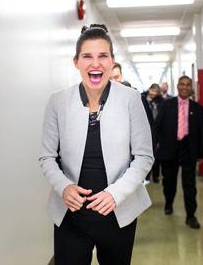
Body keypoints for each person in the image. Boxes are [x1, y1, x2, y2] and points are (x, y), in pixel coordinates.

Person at [39, 24, 154, 264]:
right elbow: (47, 157)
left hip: (118, 213)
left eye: (103, 56)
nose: (95, 63)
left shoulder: (131, 99)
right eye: (87, 56)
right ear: (76, 62)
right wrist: (64, 187)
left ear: (112, 61)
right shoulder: (58, 102)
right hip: (71, 216)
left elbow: (144, 157)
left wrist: (115, 194)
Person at [154, 75, 203, 229]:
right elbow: (157, 126)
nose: (184, 87)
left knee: (189, 184)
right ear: (177, 86)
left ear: (191, 88)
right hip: (169, 148)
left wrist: (201, 155)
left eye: (188, 85)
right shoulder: (166, 104)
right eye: (182, 84)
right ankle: (168, 202)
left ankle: (191, 215)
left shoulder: (197, 108)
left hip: (188, 149)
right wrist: (157, 146)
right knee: (169, 181)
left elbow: (201, 133)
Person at [141, 83, 164, 184]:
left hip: (156, 131)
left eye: (156, 92)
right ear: (149, 89)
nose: (153, 93)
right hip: (144, 130)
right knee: (146, 153)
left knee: (156, 155)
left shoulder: (161, 101)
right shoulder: (142, 99)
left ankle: (156, 175)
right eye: (152, 90)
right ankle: (146, 175)